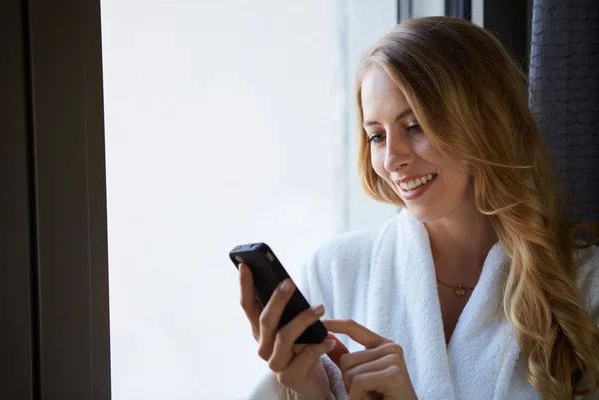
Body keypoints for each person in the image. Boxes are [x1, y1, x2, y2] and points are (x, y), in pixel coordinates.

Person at [238, 16, 599, 400]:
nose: (392, 158)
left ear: (485, 123)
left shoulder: (583, 287)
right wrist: (311, 395)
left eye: (415, 127)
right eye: (377, 135)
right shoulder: (334, 273)